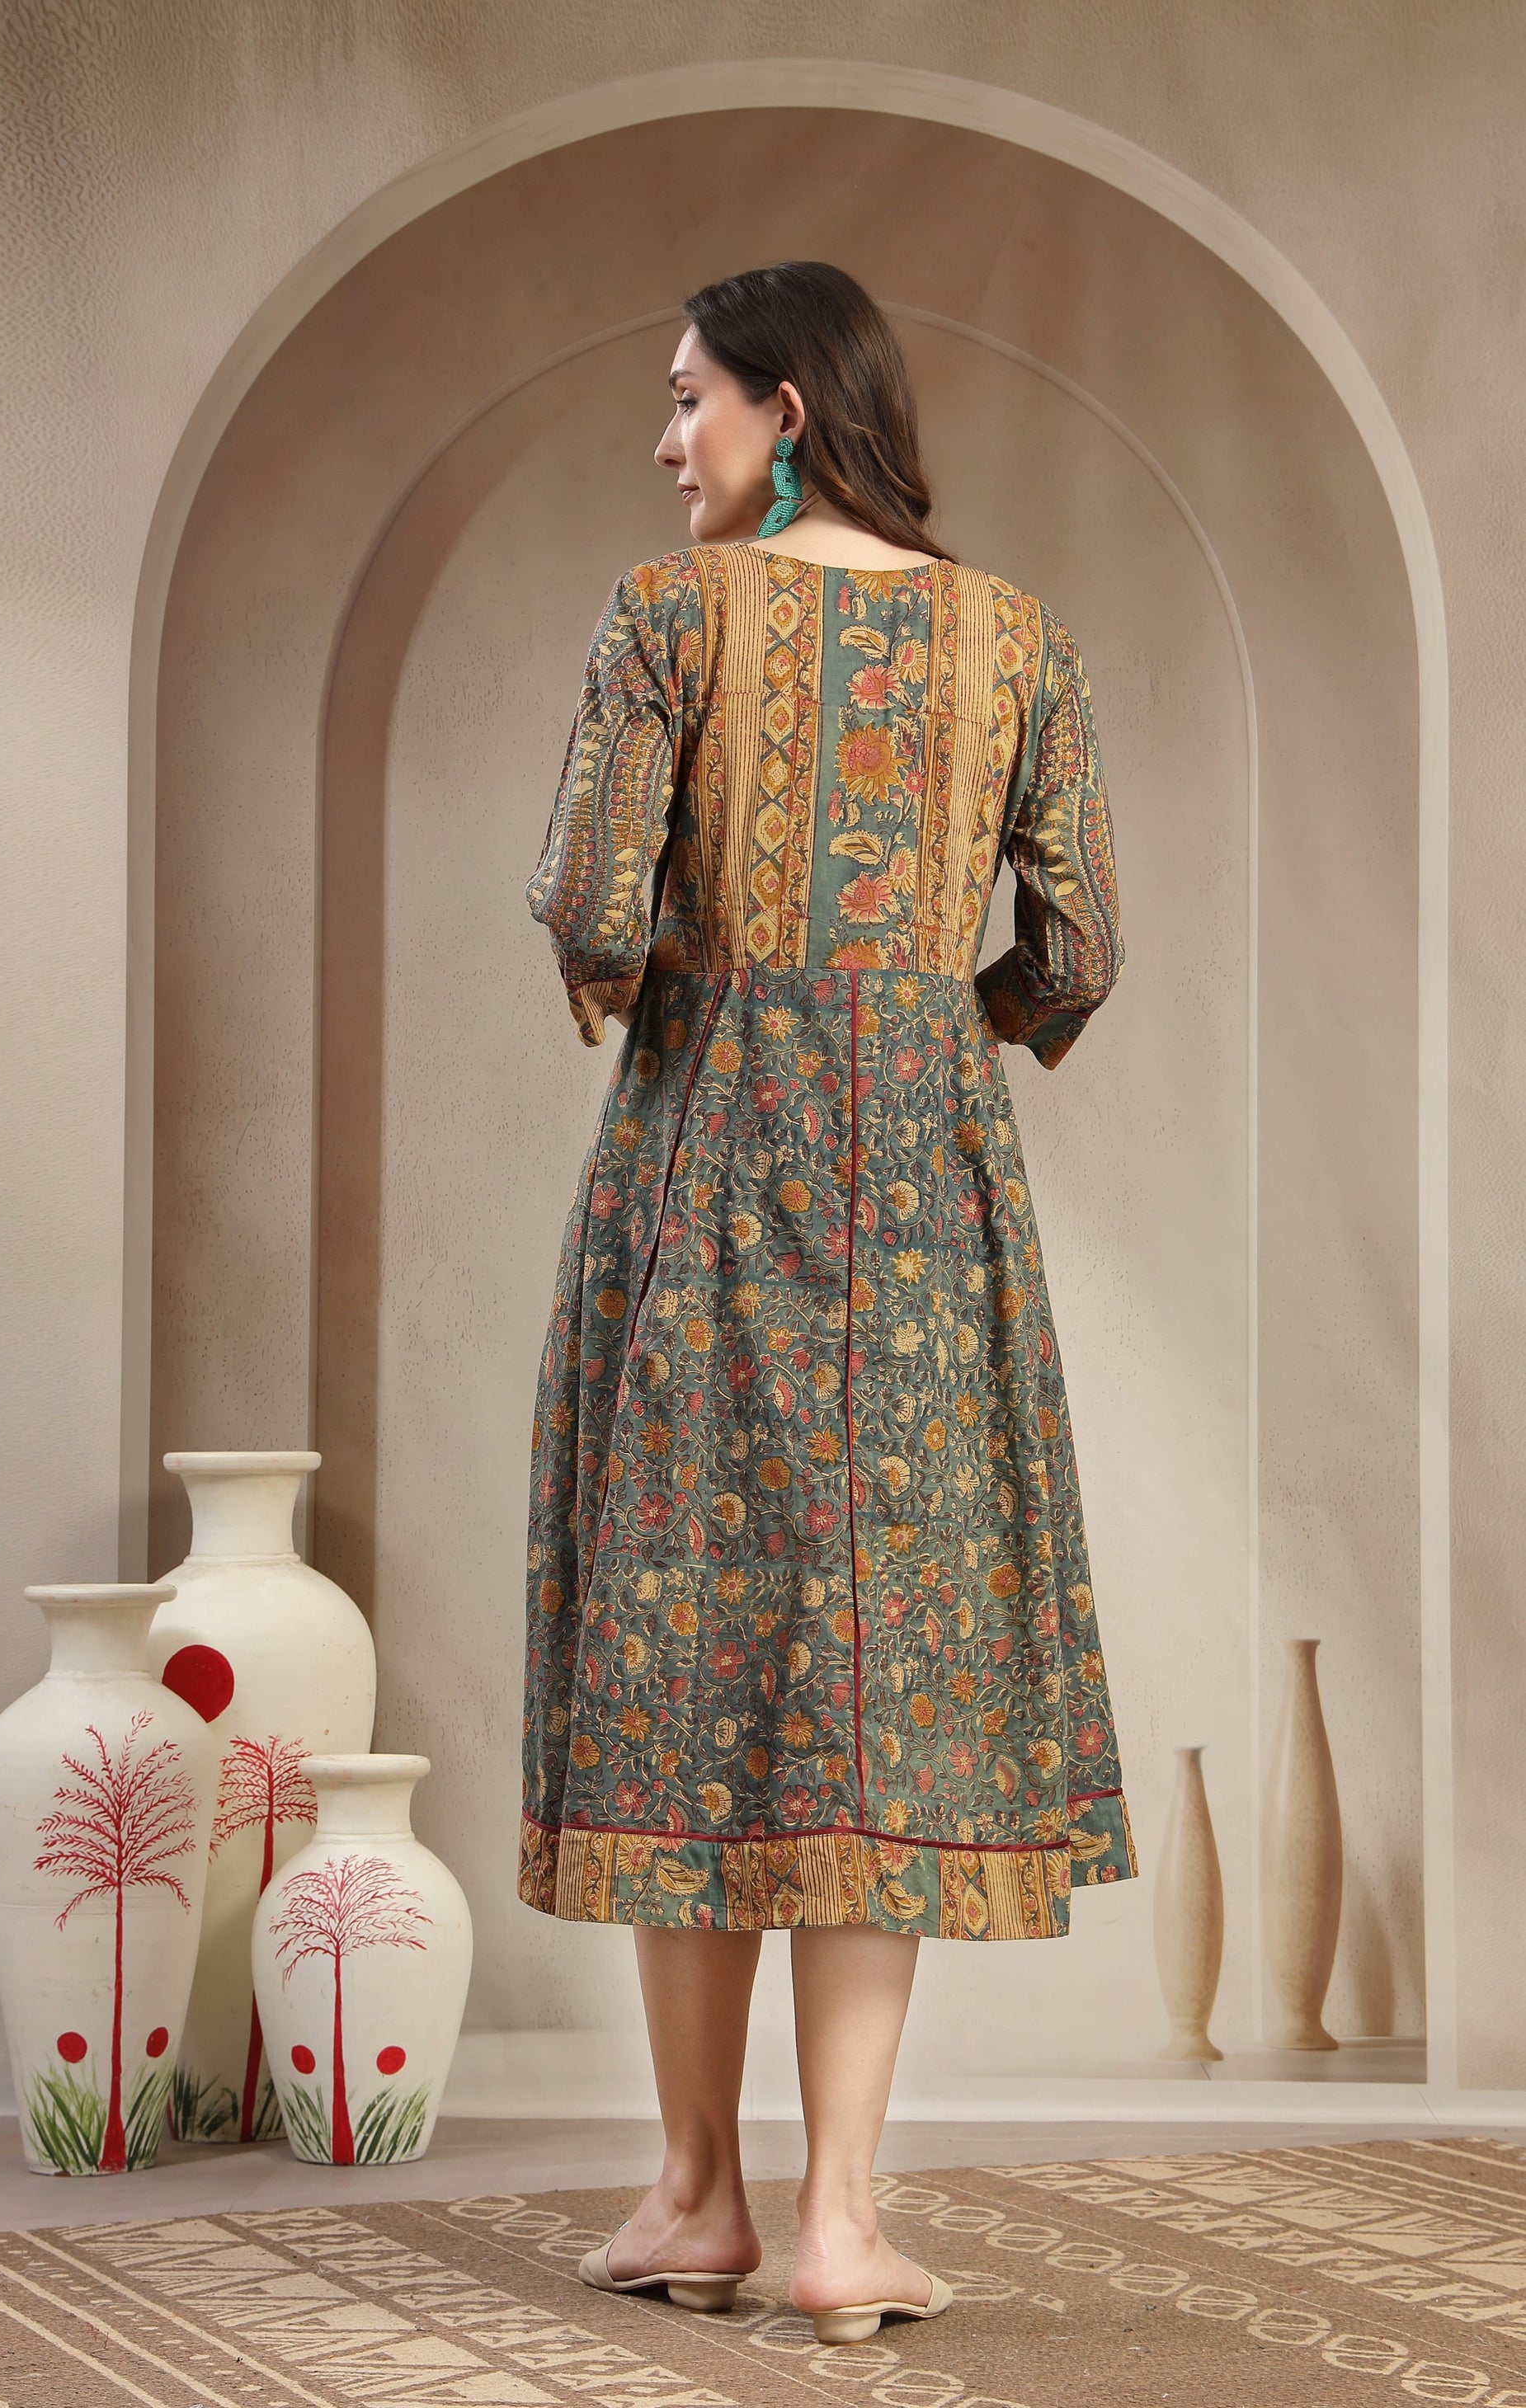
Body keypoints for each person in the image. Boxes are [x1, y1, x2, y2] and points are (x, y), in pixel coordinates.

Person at [519, 260, 1137, 2348]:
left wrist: (661, 982)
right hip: (928, 1200)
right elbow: (1081, 947)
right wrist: (938, 1030)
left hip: (703, 1167)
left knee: (692, 1653)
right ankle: (843, 2221)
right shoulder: (1017, 636)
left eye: (687, 396)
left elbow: (589, 900)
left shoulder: (664, 616)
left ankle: (697, 2192)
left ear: (785, 408)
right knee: (883, 1667)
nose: (664, 438)